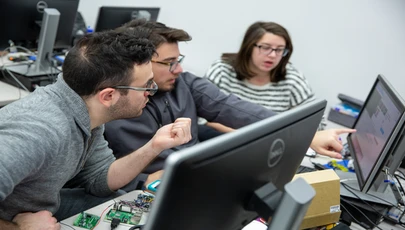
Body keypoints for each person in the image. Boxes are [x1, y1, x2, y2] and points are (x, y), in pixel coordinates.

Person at [104, 19, 355, 192]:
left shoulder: (184, 83)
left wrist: (307, 135)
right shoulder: (110, 102)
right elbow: (95, 173)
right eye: (169, 62)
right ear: (140, 62)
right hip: (148, 192)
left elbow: (235, 109)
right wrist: (141, 181)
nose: (178, 69)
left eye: (178, 60)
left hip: (195, 178)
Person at [0, 29, 192, 229]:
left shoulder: (86, 109)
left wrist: (154, 145)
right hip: (17, 221)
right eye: (146, 86)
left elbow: (100, 178)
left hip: (42, 210)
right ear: (108, 96)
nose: (151, 93)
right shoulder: (39, 132)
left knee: (128, 205)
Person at [203, 21, 326, 133]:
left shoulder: (292, 79)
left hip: (269, 145)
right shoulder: (221, 70)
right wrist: (241, 137)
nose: (272, 55)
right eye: (266, 48)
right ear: (249, 47)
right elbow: (199, 116)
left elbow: (318, 123)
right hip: (220, 140)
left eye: (279, 50)